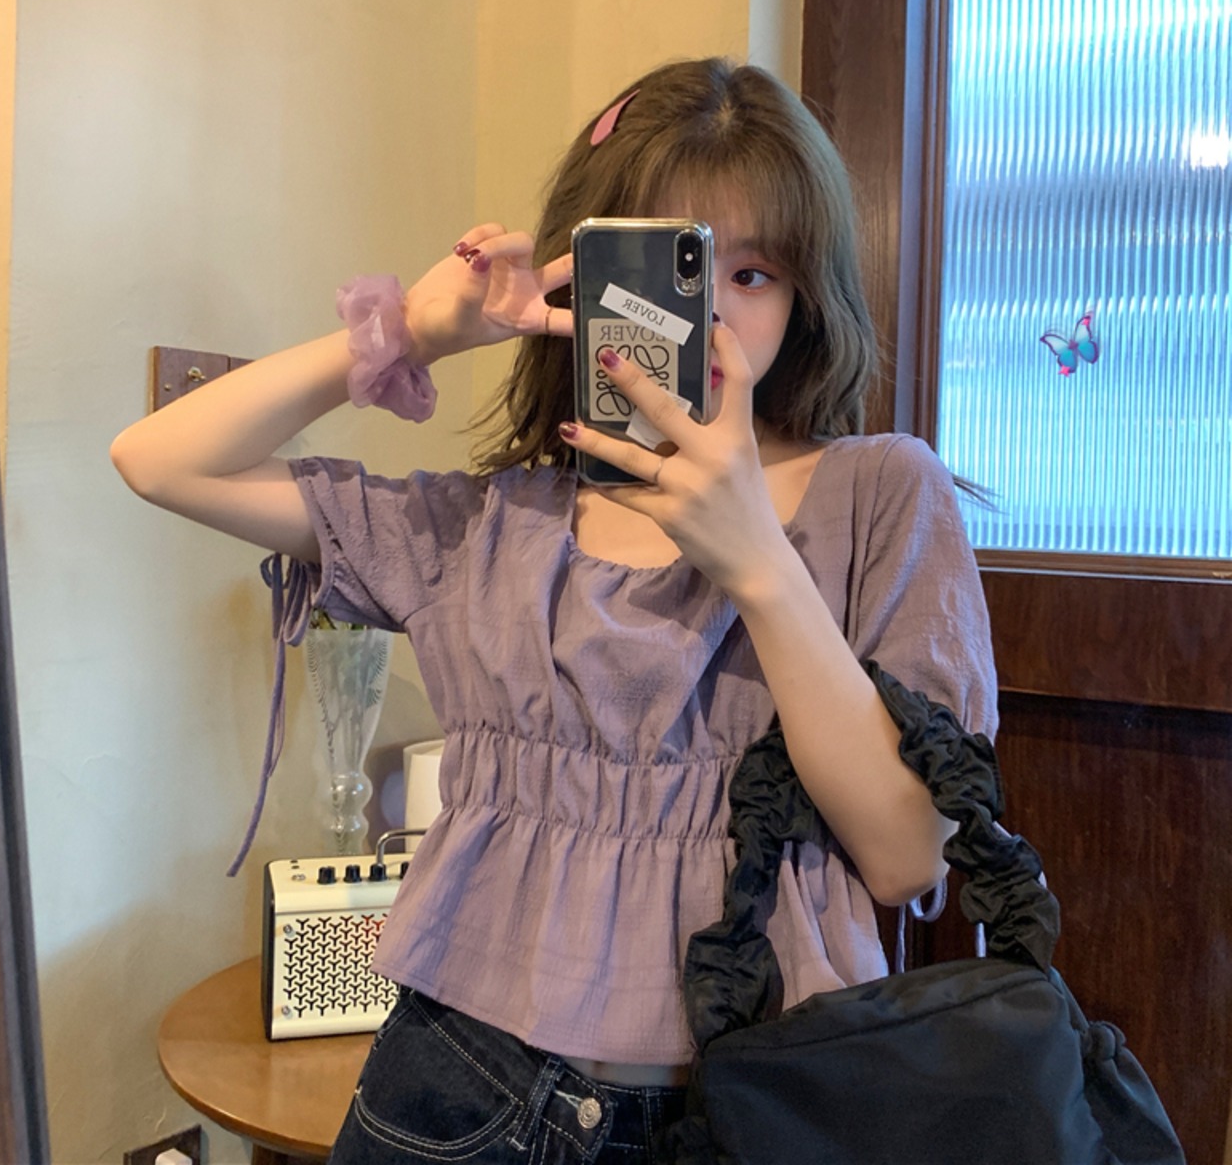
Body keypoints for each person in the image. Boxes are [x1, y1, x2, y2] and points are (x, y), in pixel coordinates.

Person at [111, 57, 997, 1165]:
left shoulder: (882, 495)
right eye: (671, 272)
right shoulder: (491, 524)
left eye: (754, 271)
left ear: (807, 295)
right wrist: (413, 330)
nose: (711, 312)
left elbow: (908, 854)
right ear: (590, 281)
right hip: (460, 1089)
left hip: (759, 1106)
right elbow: (159, 459)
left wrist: (758, 563)